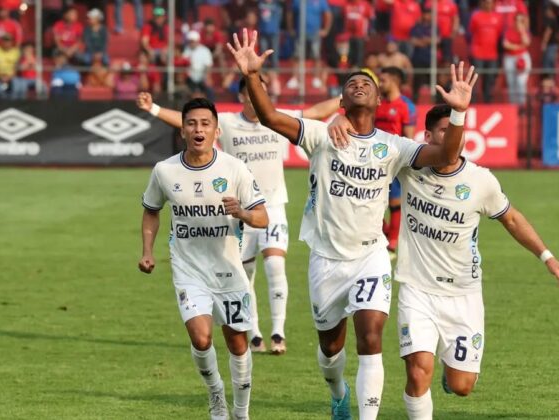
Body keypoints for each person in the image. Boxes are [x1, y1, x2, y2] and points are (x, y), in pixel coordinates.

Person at [227, 28, 477, 419]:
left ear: (378, 100)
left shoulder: (393, 147)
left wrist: (458, 112)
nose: (359, 85)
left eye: (367, 84)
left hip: (370, 257)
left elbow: (446, 154)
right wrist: (252, 75)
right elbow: (270, 117)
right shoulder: (320, 135)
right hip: (326, 259)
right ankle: (338, 391)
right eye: (351, 84)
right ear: (341, 101)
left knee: (371, 339)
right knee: (330, 349)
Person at [136, 77, 341, 355]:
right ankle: (254, 334)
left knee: (275, 265)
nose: (257, 97)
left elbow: (316, 112)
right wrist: (153, 109)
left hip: (272, 207)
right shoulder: (227, 122)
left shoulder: (278, 119)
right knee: (245, 274)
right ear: (242, 96)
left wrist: (346, 100)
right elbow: (189, 123)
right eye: (251, 93)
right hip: (233, 211)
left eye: (262, 92)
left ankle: (278, 332)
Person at [393, 104, 559, 418]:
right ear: (428, 136)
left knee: (461, 386)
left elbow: (511, 219)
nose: (454, 136)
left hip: (463, 294)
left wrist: (548, 257)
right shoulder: (409, 164)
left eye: (458, 130)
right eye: (445, 130)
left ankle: (452, 374)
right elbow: (369, 141)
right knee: (418, 370)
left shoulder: (480, 180)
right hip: (416, 288)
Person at [139, 98, 268, 420]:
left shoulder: (234, 168)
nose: (199, 129)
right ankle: (215, 396)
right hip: (188, 269)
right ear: (182, 130)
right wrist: (147, 251)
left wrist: (242, 213)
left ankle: (241, 411)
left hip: (228, 270)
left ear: (216, 130)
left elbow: (263, 218)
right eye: (192, 123)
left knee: (237, 344)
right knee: (200, 338)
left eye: (205, 123)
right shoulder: (165, 170)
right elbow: (151, 211)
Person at [376, 66, 416, 253]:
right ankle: (385, 231)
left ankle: (392, 242)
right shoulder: (377, 102)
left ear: (394, 81)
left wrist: (404, 161)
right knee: (370, 200)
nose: (379, 84)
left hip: (395, 161)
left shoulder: (406, 106)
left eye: (383, 80)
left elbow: (409, 137)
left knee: (394, 203)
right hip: (374, 160)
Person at [469, 0, 504, 103]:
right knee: (475, 79)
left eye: (490, 2)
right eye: (486, 2)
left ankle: (487, 102)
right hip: (477, 53)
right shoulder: (476, 16)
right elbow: (471, 32)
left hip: (492, 54)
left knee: (490, 79)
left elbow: (499, 34)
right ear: (483, 3)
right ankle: (472, 101)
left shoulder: (498, 17)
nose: (488, 4)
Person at [502, 12, 531, 105]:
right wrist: (518, 47)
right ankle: (513, 105)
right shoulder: (509, 30)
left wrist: (521, 31)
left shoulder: (525, 31)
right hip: (510, 57)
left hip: (522, 57)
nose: (518, 22)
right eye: (517, 20)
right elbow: (505, 44)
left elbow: (526, 42)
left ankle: (522, 104)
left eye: (521, 20)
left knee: (521, 81)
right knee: (511, 82)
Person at [0, 33, 24, 99]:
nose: (6, 43)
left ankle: (15, 103)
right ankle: (2, 104)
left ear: (12, 42)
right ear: (1, 41)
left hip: (12, 77)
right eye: (4, 40)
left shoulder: (16, 52)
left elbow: (17, 68)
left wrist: (9, 77)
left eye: (8, 41)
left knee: (18, 87)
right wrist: (0, 77)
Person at [183, 30, 215, 101]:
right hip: (190, 78)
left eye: (193, 41)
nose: (191, 43)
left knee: (209, 91)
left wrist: (207, 77)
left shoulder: (205, 50)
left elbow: (208, 65)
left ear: (197, 41)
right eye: (190, 41)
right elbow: (184, 64)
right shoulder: (186, 50)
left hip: (202, 77)